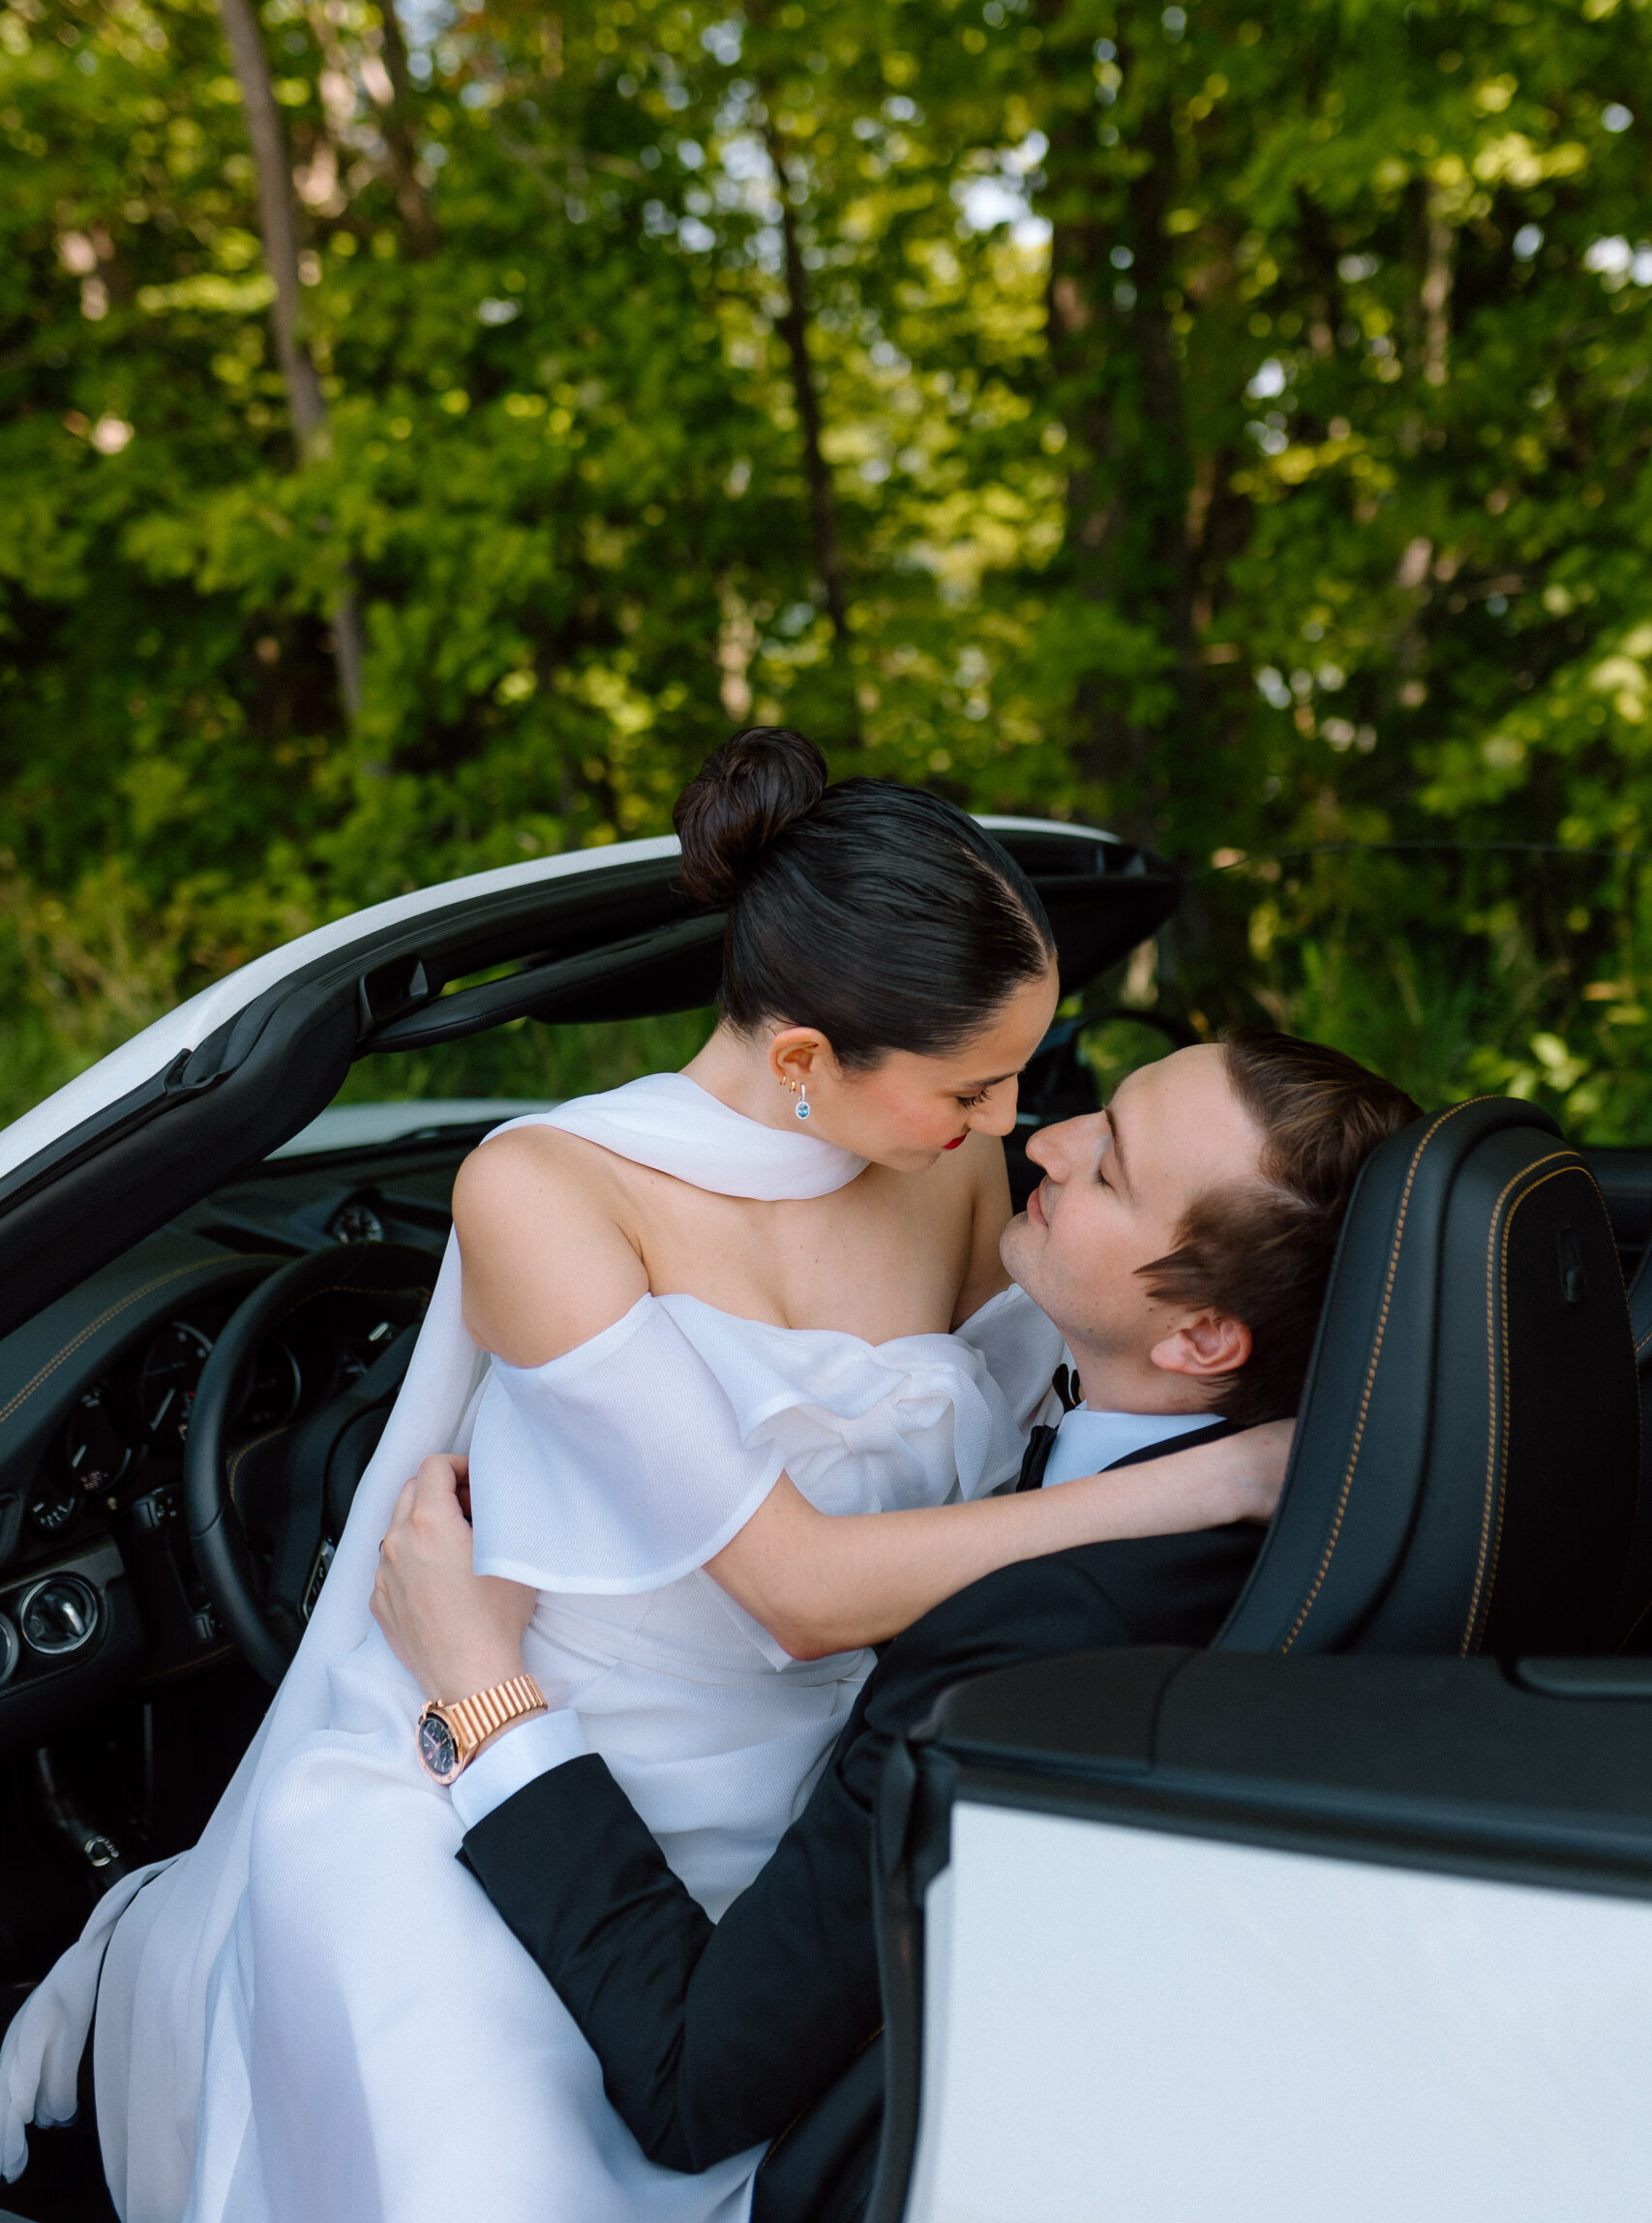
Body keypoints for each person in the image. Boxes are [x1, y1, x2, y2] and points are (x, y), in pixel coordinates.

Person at [1, 731, 1284, 2223]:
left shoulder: (942, 1168)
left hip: (815, 1809)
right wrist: (1192, 1486)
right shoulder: (545, 1191)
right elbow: (797, 1593)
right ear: (805, 1059)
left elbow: (1019, 1418)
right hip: (498, 1788)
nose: (1014, 1126)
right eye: (974, 1087)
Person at [369, 1027, 1423, 2222]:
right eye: (1101, 1111)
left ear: (1199, 1338)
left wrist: (475, 1688)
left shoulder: (1040, 1635)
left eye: (1113, 1170)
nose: (1050, 1138)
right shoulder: (1276, 1490)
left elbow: (690, 2081)